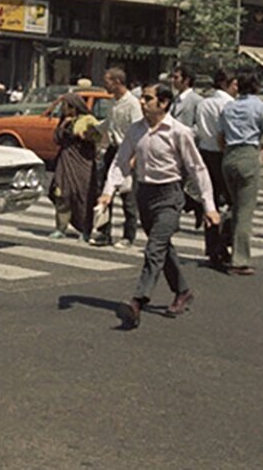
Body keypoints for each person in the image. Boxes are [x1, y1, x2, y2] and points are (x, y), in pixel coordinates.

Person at [100, 84, 218, 330]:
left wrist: (209, 205)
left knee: (154, 247)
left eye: (148, 98)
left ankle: (137, 301)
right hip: (144, 194)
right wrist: (107, 192)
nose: (142, 102)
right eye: (142, 98)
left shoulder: (179, 132)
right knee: (163, 247)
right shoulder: (136, 130)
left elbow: (198, 169)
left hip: (170, 196)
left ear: (163, 103)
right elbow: (121, 161)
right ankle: (183, 291)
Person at [218, 71, 263, 275]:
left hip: (229, 155)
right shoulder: (261, 107)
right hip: (248, 154)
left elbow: (220, 137)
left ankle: (220, 244)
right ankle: (239, 260)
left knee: (234, 204)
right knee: (245, 210)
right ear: (257, 87)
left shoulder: (228, 107)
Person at [193, 68, 237, 267]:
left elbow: (199, 129)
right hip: (222, 154)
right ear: (225, 84)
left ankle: (212, 246)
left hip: (205, 153)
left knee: (210, 201)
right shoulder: (229, 105)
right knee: (232, 201)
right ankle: (224, 240)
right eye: (234, 83)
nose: (237, 88)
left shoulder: (204, 103)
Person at [47, 94, 101, 243]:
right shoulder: (64, 121)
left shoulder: (88, 120)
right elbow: (56, 139)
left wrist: (85, 135)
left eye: (65, 106)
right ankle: (61, 227)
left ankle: (85, 229)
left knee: (83, 195)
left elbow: (99, 136)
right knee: (62, 194)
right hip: (65, 161)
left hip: (82, 162)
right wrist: (64, 125)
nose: (63, 109)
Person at [101, 68, 142, 249]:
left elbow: (139, 130)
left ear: (117, 82)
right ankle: (104, 232)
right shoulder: (113, 103)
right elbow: (108, 123)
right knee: (104, 191)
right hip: (113, 150)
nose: (105, 85)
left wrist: (134, 156)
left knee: (128, 196)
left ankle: (128, 235)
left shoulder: (132, 104)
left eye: (108, 81)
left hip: (128, 151)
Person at [170, 65, 205, 227]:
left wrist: (187, 134)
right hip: (171, 148)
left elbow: (199, 126)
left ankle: (194, 206)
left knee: (180, 185)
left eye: (176, 77)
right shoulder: (174, 99)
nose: (173, 80)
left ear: (186, 80)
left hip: (187, 148)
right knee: (175, 185)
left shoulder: (197, 101)